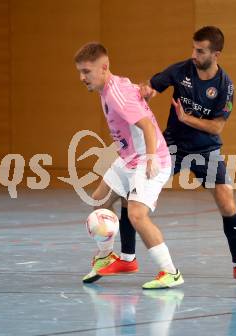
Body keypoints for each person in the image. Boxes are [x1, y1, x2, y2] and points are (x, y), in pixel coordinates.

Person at [98, 26, 236, 286]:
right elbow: (152, 87)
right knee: (132, 193)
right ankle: (127, 258)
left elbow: (217, 127)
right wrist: (145, 91)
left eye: (201, 50)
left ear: (216, 54)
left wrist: (187, 118)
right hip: (171, 146)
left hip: (206, 149)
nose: (194, 54)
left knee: (227, 203)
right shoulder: (181, 70)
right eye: (193, 48)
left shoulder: (225, 86)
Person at [74, 42, 184, 289]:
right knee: (99, 200)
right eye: (80, 72)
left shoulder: (115, 95)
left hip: (149, 159)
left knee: (136, 214)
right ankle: (108, 257)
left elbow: (146, 125)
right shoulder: (114, 85)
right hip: (129, 158)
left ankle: (171, 272)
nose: (82, 77)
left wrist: (151, 159)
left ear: (104, 68)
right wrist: (145, 91)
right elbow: (132, 90)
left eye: (87, 71)